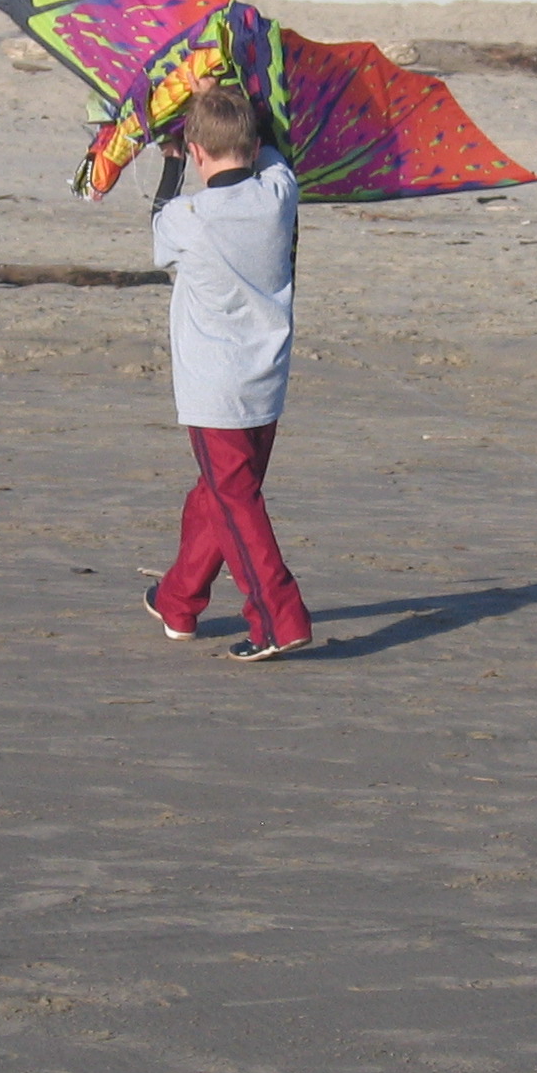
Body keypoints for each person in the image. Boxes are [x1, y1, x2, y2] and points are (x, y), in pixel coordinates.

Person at [143, 82, 312, 661]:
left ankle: (278, 617)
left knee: (236, 500)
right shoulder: (278, 193)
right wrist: (221, 97)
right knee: (218, 495)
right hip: (265, 378)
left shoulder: (190, 217)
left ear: (196, 151)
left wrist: (168, 165)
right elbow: (269, 153)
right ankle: (178, 599)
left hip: (216, 389)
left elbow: (158, 227)